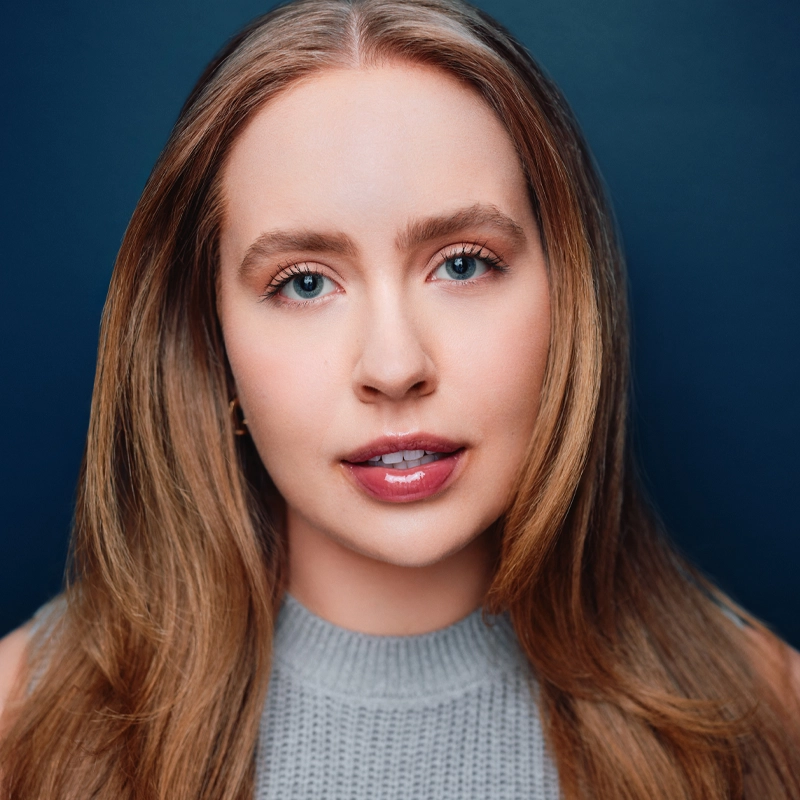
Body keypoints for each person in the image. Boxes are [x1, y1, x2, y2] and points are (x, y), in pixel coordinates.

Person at [0, 0, 798, 797]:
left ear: (570, 299)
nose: (394, 366)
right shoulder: (18, 723)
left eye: (463, 264)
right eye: (304, 283)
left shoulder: (770, 712)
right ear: (211, 342)